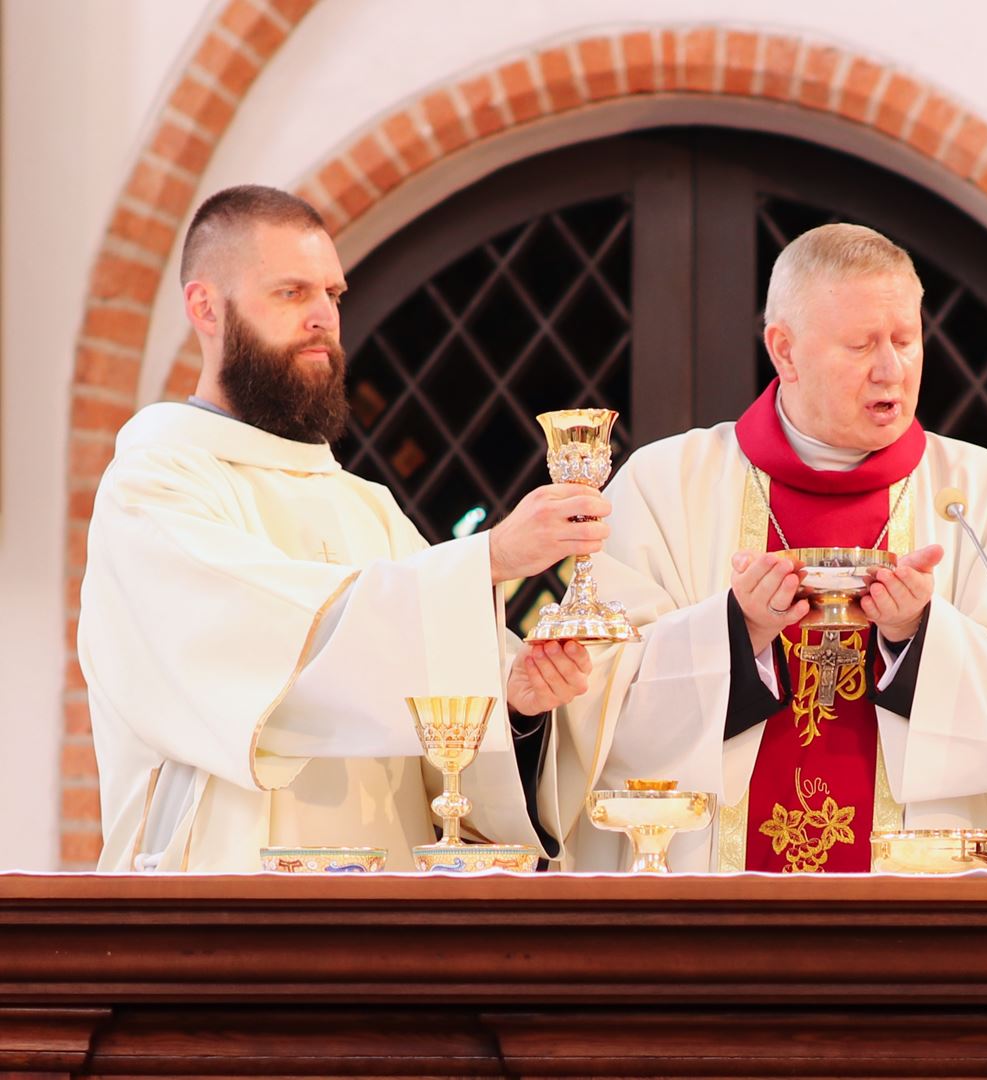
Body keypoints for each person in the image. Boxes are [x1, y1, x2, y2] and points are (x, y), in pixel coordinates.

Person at [535, 223, 987, 872]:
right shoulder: (666, 485)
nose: (891, 368)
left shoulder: (986, 496)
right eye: (860, 344)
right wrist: (735, 628)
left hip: (918, 909)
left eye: (905, 340)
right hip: (708, 897)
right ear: (785, 351)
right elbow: (592, 701)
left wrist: (918, 635)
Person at [80, 185, 602, 872]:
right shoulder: (156, 487)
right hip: (221, 908)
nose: (323, 317)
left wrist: (512, 702)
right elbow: (269, 641)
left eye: (333, 293)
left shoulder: (367, 509)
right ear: (206, 307)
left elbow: (442, 744)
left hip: (382, 924)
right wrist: (487, 559)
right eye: (291, 293)